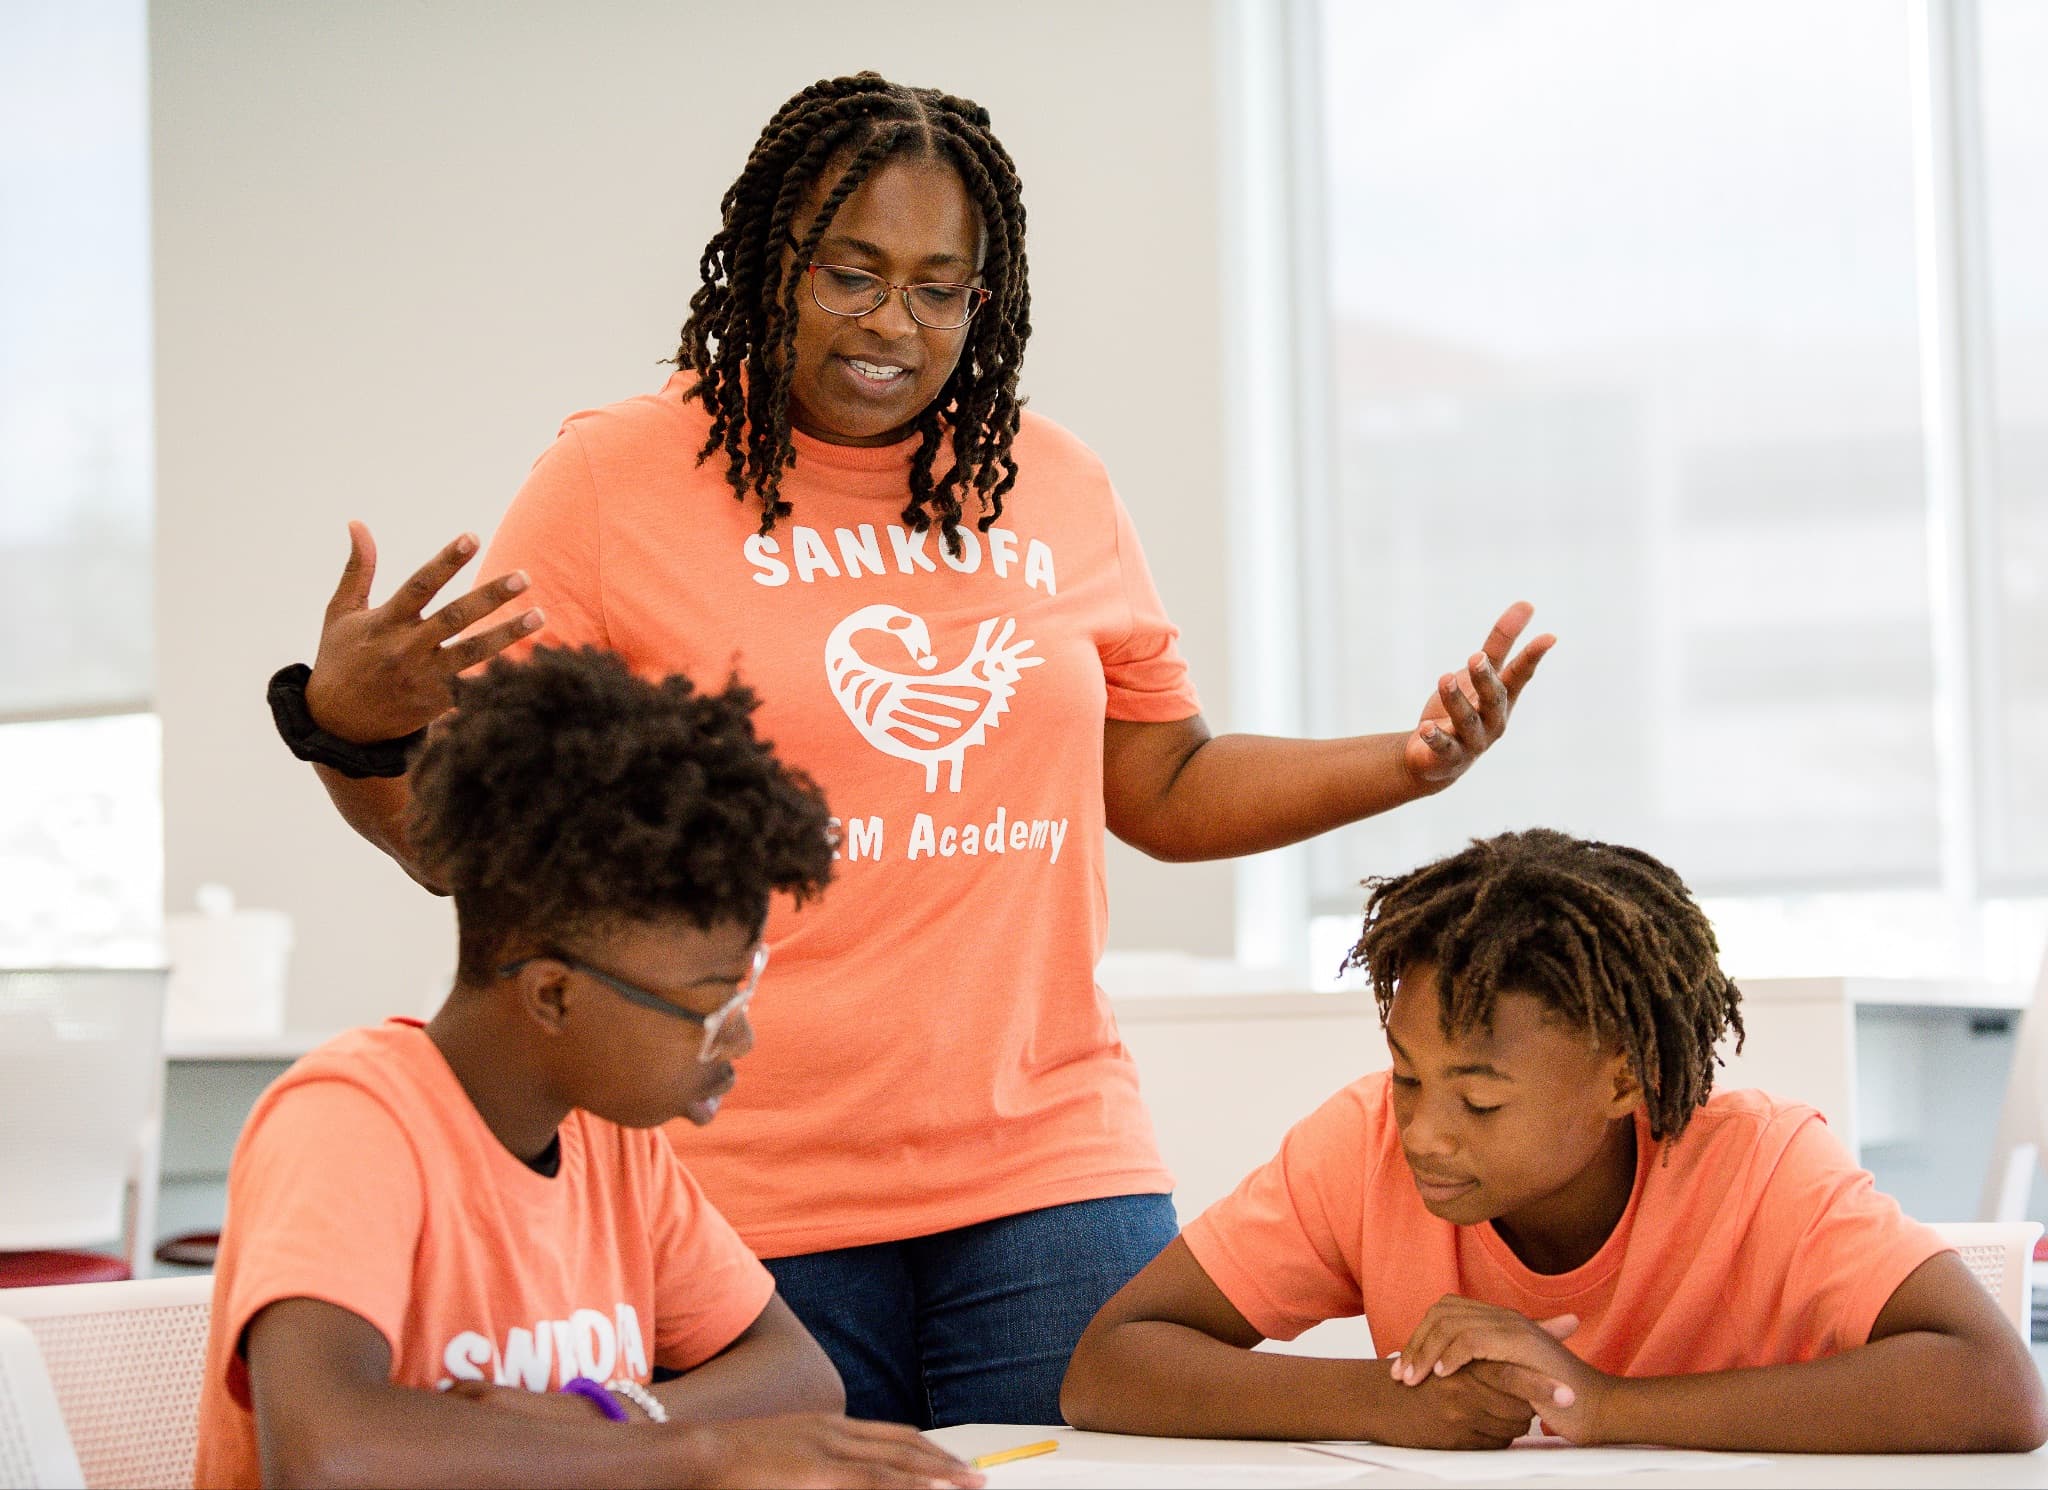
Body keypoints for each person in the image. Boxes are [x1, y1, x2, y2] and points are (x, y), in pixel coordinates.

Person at [269, 71, 1555, 1426]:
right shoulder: (614, 480)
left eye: (941, 288)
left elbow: (1162, 784)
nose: (896, 323)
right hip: (734, 1176)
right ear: (774, 265)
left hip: (1048, 1162)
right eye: (852, 273)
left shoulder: (1051, 481)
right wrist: (349, 725)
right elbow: (470, 850)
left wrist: (1405, 766)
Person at [200, 646, 983, 1490]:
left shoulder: (612, 1143)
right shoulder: (351, 1122)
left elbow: (799, 1377)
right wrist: (702, 1454)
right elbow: (328, 1454)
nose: (739, 1039)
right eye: (712, 1002)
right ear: (554, 997)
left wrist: (610, 1414)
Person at [1059, 829, 2048, 1454]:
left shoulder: (1761, 1165)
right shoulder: (1356, 1144)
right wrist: (1376, 1398)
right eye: (1407, 1074)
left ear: (1623, 1075)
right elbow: (1108, 1362)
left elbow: (1995, 1382)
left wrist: (1603, 1403)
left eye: (1478, 1099)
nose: (1423, 1130)